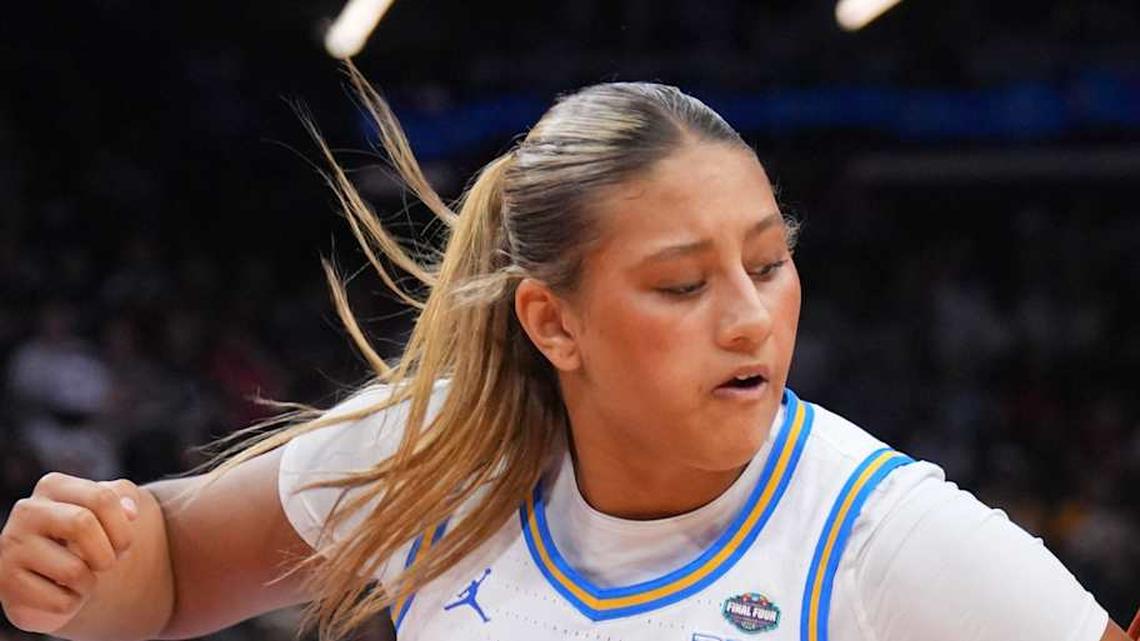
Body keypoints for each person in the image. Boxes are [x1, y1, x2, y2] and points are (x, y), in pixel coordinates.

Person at [0, 65, 1134, 641]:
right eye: (684, 284)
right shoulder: (440, 447)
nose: (750, 317)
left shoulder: (888, 532)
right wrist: (80, 563)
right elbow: (175, 571)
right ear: (553, 322)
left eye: (769, 261)